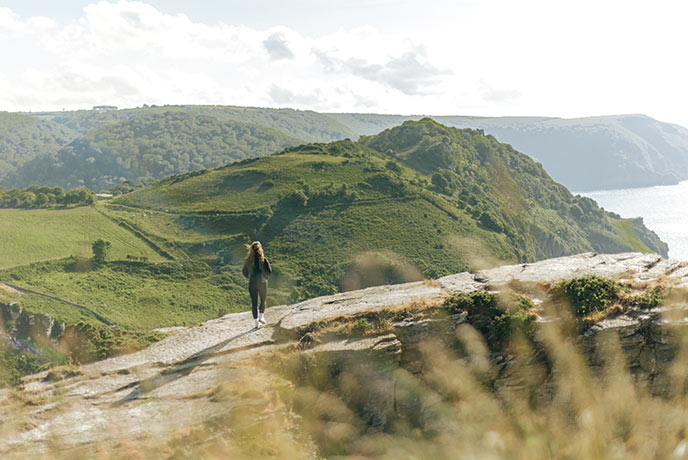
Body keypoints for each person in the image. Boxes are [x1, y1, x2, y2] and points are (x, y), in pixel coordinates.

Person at [242, 241, 272, 328]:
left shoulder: (248, 261)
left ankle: (256, 322)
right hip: (262, 283)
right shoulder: (263, 260)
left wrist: (250, 277)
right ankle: (261, 317)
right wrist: (265, 277)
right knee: (263, 300)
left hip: (252, 284)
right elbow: (269, 271)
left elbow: (244, 272)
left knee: (254, 303)